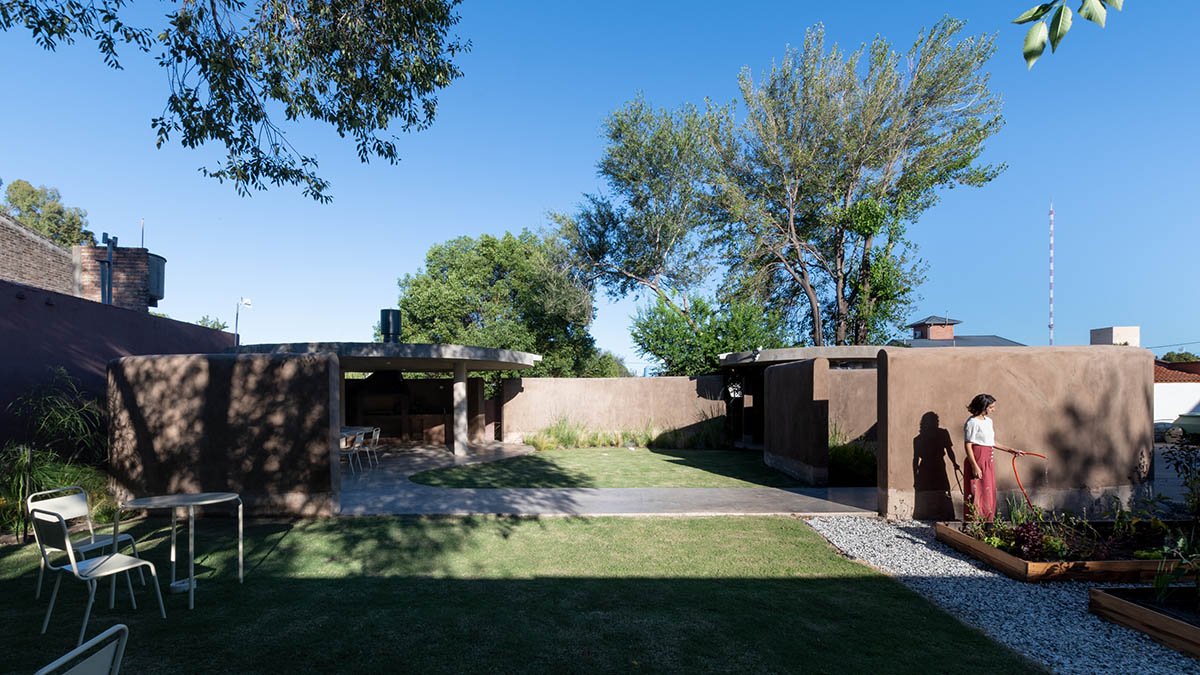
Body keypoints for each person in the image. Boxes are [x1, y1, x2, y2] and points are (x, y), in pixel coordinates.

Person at [963, 393, 1026, 522]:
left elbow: (991, 442)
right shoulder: (972, 422)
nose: (993, 410)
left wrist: (1011, 450)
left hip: (988, 459)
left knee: (988, 491)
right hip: (977, 458)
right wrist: (974, 466)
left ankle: (987, 521)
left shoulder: (989, 421)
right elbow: (968, 445)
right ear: (983, 407)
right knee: (977, 491)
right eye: (991, 407)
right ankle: (974, 522)